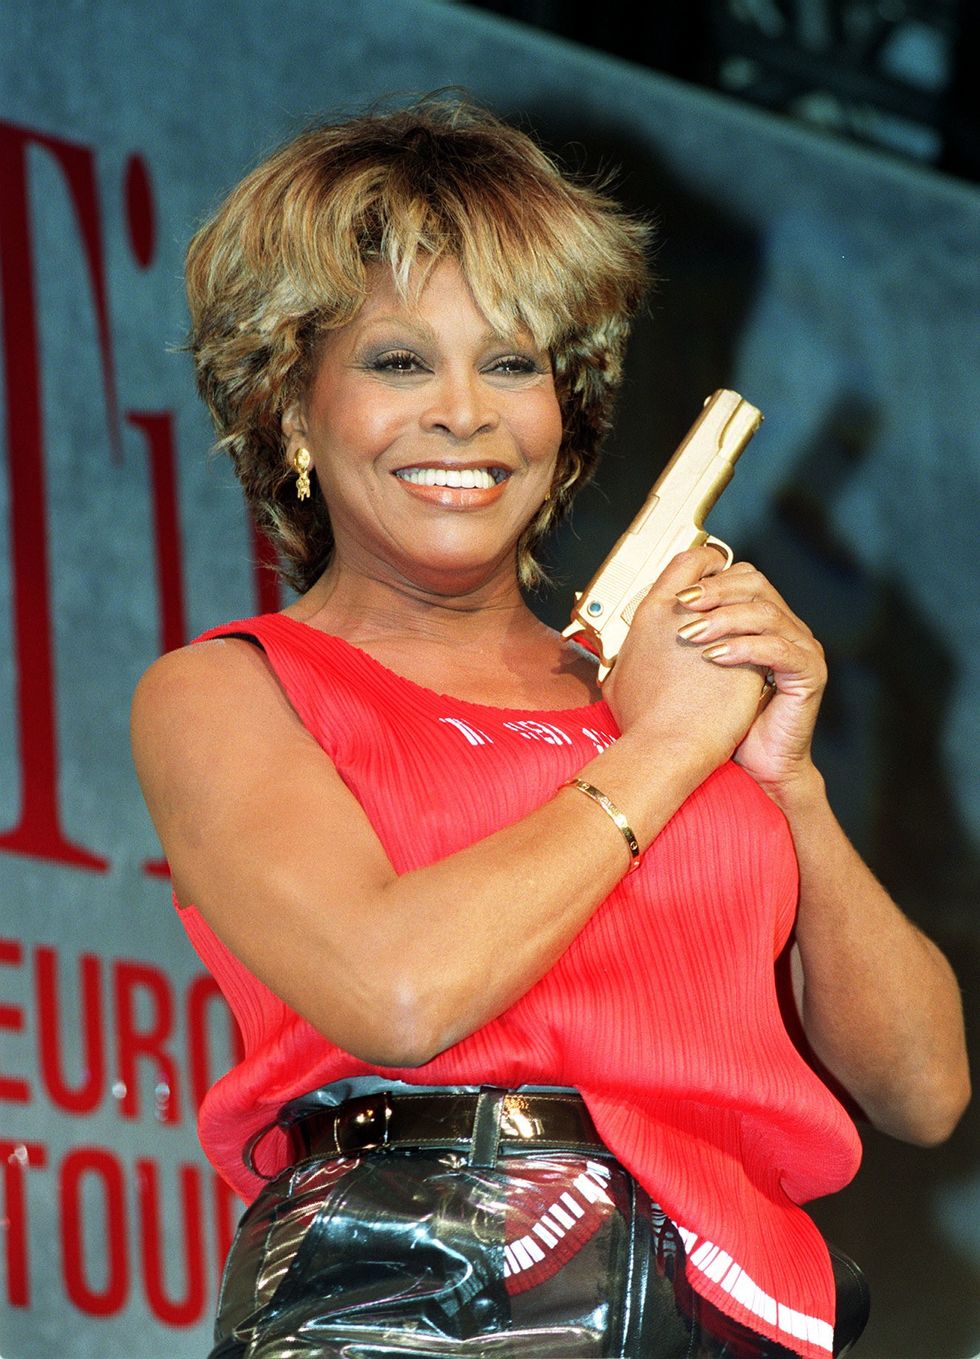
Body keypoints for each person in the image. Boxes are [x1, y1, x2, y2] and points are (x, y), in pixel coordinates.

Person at [131, 98, 969, 1359]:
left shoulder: (650, 694)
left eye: (512, 362)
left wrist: (782, 777)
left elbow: (923, 1089)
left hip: (727, 1298)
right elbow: (396, 995)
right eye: (398, 362)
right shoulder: (234, 690)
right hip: (418, 1301)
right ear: (289, 409)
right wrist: (665, 749)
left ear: (565, 410)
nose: (463, 412)